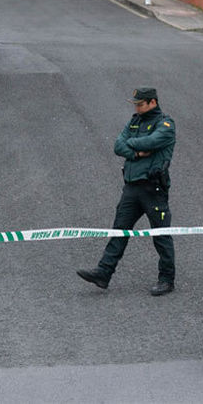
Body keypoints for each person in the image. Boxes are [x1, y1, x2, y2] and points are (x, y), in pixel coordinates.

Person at [78, 87, 177, 296]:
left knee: (160, 235)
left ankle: (167, 279)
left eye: (140, 104)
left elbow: (152, 141)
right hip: (132, 188)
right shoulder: (135, 121)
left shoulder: (166, 125)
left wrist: (131, 145)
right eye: (135, 104)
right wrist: (138, 152)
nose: (137, 107)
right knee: (118, 231)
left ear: (152, 102)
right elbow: (117, 145)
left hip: (153, 188)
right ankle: (103, 273)